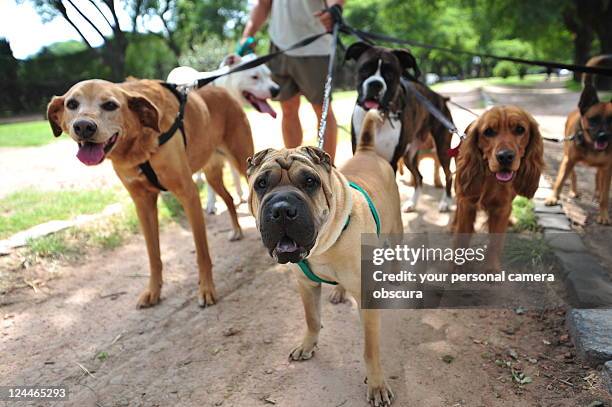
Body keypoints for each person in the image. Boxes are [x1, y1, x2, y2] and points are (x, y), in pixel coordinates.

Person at [239, 0, 345, 162]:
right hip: (280, 45)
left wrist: (334, 8)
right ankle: (292, 165)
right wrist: (248, 35)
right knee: (287, 108)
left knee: (322, 110)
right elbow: (263, 4)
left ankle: (327, 170)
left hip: (315, 46)